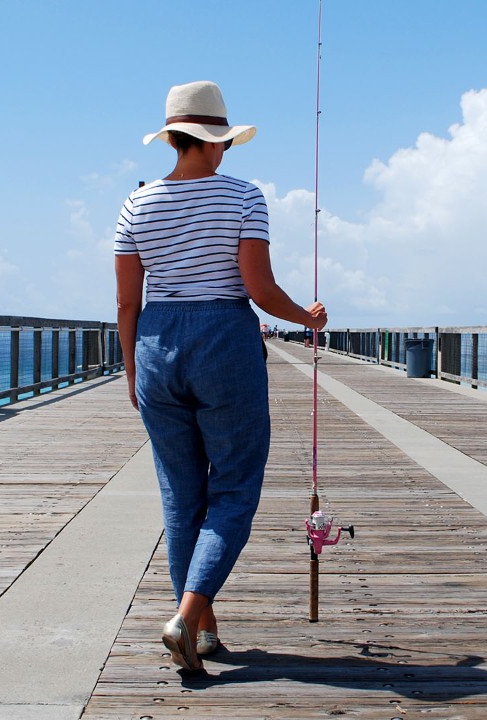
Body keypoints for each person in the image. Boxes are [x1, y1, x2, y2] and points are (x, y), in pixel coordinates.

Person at [114, 80, 328, 674]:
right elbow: (258, 289)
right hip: (223, 343)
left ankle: (203, 636)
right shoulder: (243, 197)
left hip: (157, 346)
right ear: (214, 142)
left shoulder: (136, 204)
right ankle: (186, 619)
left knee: (181, 500)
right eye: (226, 143)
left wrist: (132, 370)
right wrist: (305, 317)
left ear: (174, 138)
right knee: (233, 490)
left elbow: (127, 303)